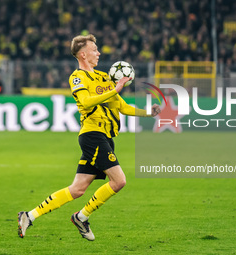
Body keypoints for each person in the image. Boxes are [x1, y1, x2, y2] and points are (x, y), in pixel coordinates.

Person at [17, 34, 161, 241]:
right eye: (95, 49)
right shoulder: (77, 77)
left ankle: (29, 216)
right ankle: (81, 217)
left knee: (77, 189)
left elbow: (122, 107)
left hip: (105, 137)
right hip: (92, 135)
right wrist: (116, 89)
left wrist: (148, 112)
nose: (99, 53)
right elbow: (85, 102)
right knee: (119, 181)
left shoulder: (104, 77)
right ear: (83, 54)